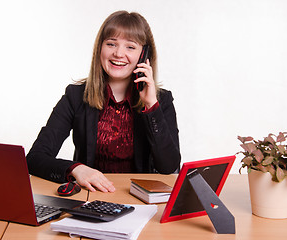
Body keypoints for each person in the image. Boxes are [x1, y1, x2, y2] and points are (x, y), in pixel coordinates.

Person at [26, 10, 181, 193]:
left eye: (130, 47)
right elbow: (34, 158)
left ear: (144, 56)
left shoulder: (161, 100)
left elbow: (169, 167)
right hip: (91, 198)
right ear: (100, 48)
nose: (118, 53)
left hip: (139, 201)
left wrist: (151, 106)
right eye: (111, 44)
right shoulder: (75, 96)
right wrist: (76, 169)